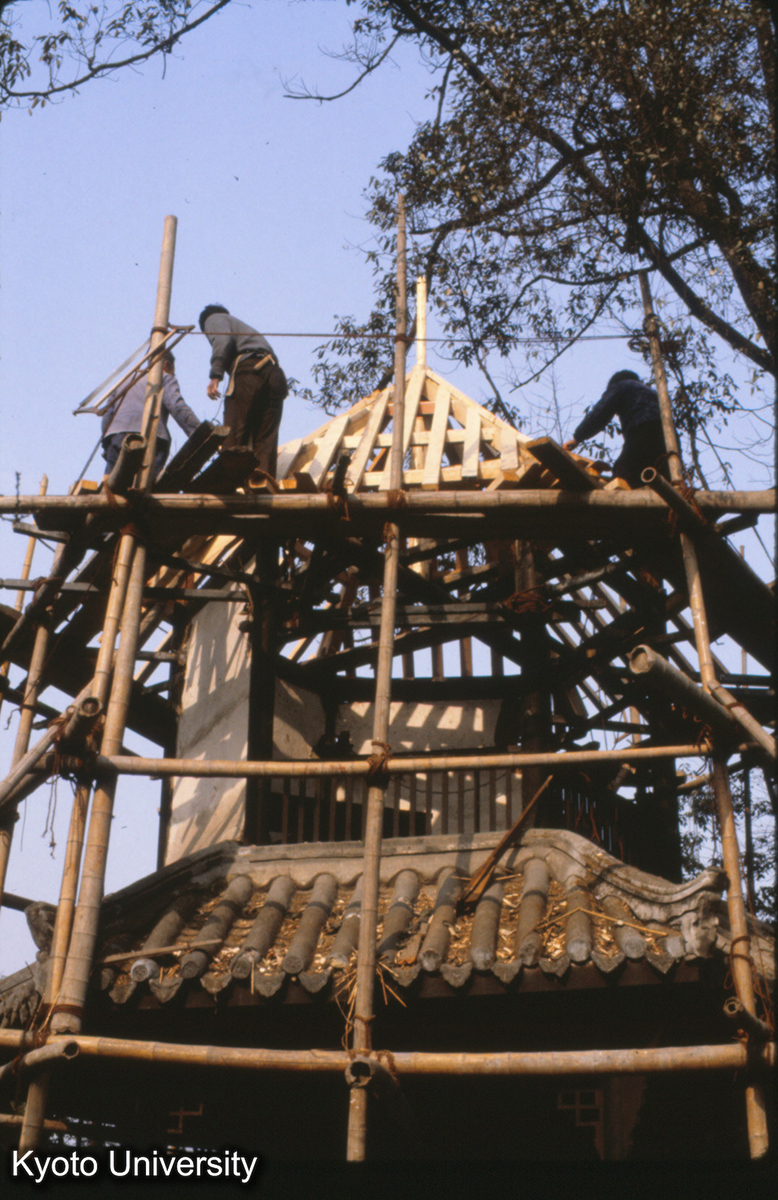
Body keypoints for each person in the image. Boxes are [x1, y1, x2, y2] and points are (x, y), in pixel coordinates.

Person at [199, 304, 288, 477]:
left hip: (250, 371)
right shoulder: (245, 330)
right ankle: (261, 482)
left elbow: (222, 341)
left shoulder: (213, 319)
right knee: (265, 440)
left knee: (233, 435)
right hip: (275, 374)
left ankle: (227, 484)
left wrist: (215, 375)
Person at [101, 351, 200, 479]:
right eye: (173, 371)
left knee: (111, 484)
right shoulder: (164, 377)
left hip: (117, 438)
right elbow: (177, 407)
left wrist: (107, 446)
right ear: (166, 365)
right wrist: (199, 433)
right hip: (150, 440)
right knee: (148, 486)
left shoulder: (124, 382)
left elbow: (107, 417)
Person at [562, 369, 667, 487]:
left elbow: (600, 413)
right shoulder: (653, 394)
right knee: (660, 481)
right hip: (667, 440)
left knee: (623, 473)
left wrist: (577, 437)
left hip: (643, 431)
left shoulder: (621, 386)